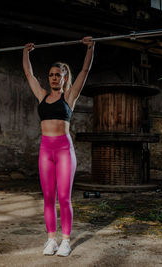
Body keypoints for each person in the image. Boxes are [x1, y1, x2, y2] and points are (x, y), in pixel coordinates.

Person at [22, 36, 95, 257]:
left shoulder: (70, 97)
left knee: (64, 197)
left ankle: (65, 241)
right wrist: (25, 52)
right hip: (46, 150)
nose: (54, 78)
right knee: (48, 198)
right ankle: (51, 240)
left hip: (64, 150)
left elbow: (84, 72)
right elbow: (29, 74)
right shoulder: (42, 96)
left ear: (64, 78)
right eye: (52, 75)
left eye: (58, 75)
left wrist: (91, 48)